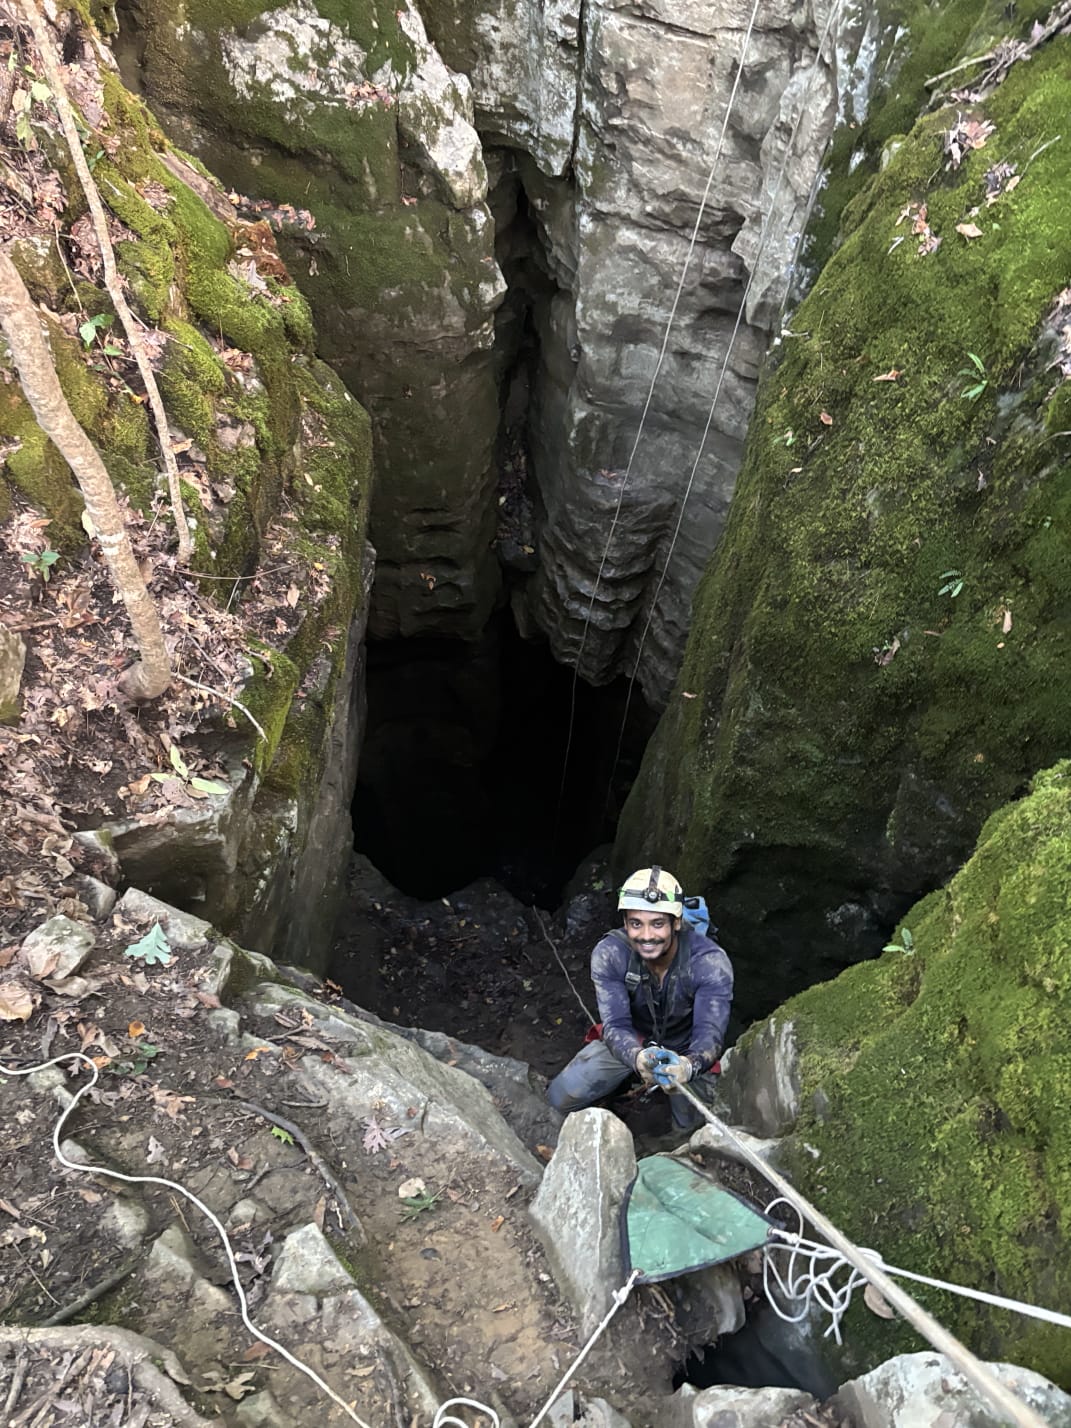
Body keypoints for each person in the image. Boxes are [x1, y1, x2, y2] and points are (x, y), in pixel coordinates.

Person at [547, 866, 733, 1130]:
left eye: (657, 923)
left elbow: (710, 1034)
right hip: (632, 1040)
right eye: (636, 923)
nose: (646, 936)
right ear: (625, 923)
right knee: (558, 1099)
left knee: (693, 1131)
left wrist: (687, 1066)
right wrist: (637, 1057)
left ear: (676, 922)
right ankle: (622, 1084)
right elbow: (615, 1025)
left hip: (686, 1051)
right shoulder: (611, 954)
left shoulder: (709, 962)